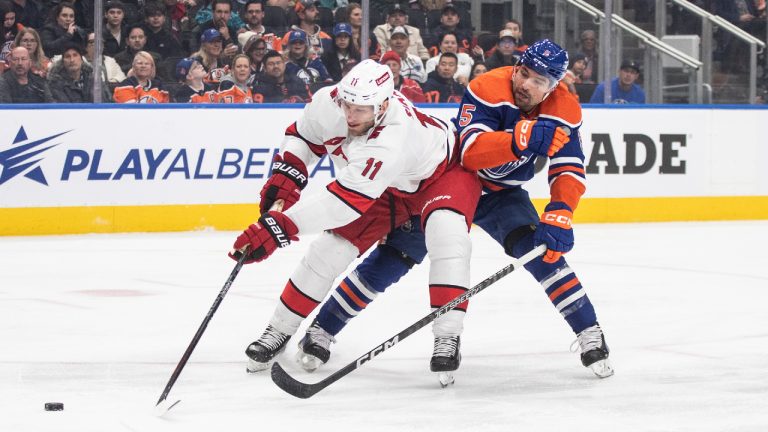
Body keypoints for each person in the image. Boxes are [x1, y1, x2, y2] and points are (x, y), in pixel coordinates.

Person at [298, 40, 614, 382]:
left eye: (538, 81)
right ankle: (323, 329)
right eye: (524, 73)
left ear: (554, 85)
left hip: (501, 196)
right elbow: (471, 154)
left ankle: (589, 332)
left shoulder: (564, 110)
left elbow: (568, 167)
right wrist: (519, 137)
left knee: (545, 253)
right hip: (451, 180)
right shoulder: (487, 87)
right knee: (391, 259)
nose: (526, 84)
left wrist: (561, 211)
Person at [235, 59, 481, 387]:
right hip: (385, 186)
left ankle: (447, 337)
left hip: (441, 176)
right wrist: (287, 174)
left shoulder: (391, 137)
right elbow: (303, 136)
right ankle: (278, 330)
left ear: (382, 106)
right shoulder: (329, 102)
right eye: (347, 105)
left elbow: (344, 202)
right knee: (328, 251)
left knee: (448, 240)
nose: (350, 116)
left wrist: (279, 228)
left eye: (361, 110)